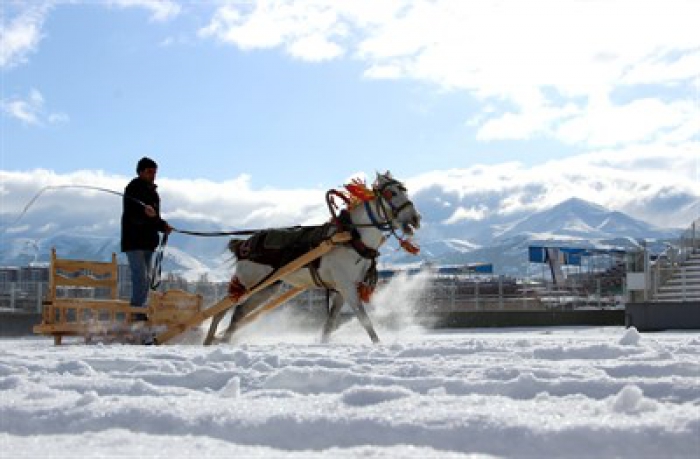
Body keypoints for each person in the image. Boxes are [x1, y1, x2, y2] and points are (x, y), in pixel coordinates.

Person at [121, 157, 172, 321]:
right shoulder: (132, 189)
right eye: (150, 172)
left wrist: (163, 225)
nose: (153, 175)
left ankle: (140, 309)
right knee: (140, 276)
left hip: (148, 242)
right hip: (134, 242)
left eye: (155, 172)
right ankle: (138, 312)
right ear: (141, 172)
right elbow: (132, 216)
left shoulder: (154, 194)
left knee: (147, 278)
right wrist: (146, 214)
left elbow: (154, 218)